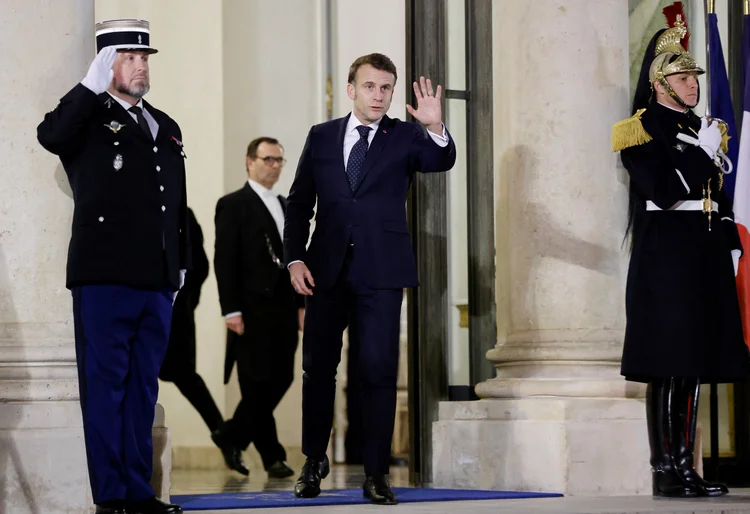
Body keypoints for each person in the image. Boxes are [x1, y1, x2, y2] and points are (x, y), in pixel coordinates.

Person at [284, 53, 456, 505]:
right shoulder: (321, 137)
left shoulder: (404, 137)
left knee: (378, 371)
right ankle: (313, 460)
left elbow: (442, 162)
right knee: (318, 369)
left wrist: (436, 127)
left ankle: (376, 473)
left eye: (386, 88)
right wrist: (294, 260)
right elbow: (300, 203)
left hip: (381, 273)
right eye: (370, 87)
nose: (378, 96)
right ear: (351, 89)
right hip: (324, 272)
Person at [36, 19, 188, 514]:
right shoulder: (87, 118)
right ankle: (111, 496)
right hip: (104, 275)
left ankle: (138, 491)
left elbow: (174, 202)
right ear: (106, 62)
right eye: (128, 57)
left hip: (156, 278)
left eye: (144, 58)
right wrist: (88, 87)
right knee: (105, 387)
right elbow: (50, 134)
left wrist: (179, 262)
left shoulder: (165, 125)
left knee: (143, 387)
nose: (140, 65)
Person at [611, 9, 749, 498]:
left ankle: (685, 466)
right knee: (669, 364)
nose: (693, 85)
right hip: (667, 260)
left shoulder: (701, 126)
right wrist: (701, 152)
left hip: (703, 254)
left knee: (692, 364)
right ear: (660, 82)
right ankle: (666, 469)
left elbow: (720, 196)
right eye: (683, 77)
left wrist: (732, 244)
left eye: (693, 78)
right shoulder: (638, 129)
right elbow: (665, 191)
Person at [213, 137, 304, 479]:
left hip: (283, 305)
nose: (275, 166)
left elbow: (293, 258)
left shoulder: (284, 203)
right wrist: (230, 310)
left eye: (280, 160)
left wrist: (300, 305)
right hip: (250, 308)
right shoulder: (233, 204)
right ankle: (272, 456)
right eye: (268, 159)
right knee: (256, 382)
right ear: (249, 162)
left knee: (281, 377)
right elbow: (225, 261)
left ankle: (230, 434)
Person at [159, 208, 224, 441]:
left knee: (185, 376)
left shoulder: (183, 215)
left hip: (176, 312)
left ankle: (223, 435)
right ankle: (223, 435)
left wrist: (185, 301)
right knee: (181, 377)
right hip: (160, 309)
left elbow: (200, 266)